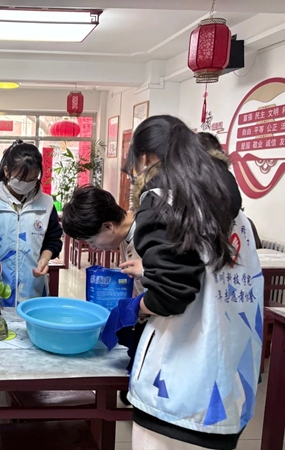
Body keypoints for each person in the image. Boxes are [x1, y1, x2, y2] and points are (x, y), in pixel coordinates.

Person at [123, 115, 263, 450]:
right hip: (229, 379)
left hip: (177, 388)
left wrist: (137, 308)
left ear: (145, 158)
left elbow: (170, 294)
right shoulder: (231, 208)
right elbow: (202, 268)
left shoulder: (163, 200)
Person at [0, 141, 63, 306]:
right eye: (21, 179)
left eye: (33, 179)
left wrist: (45, 259)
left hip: (32, 287)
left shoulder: (46, 204)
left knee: (29, 320)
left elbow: (52, 240)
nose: (27, 184)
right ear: (6, 171)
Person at [61, 185, 143, 295]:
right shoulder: (124, 236)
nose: (93, 247)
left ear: (108, 226)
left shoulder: (151, 232)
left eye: (91, 241)